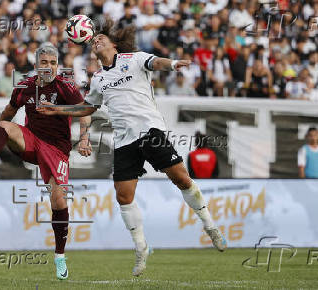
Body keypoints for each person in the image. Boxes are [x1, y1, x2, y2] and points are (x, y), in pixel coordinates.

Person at [37, 18, 227, 277]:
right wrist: (57, 110)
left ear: (114, 44)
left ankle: (210, 226)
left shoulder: (134, 58)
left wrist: (172, 64)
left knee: (182, 179)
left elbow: (156, 63)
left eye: (101, 37)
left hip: (150, 130)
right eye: (94, 39)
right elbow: (88, 108)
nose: (96, 39)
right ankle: (141, 247)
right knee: (123, 196)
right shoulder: (99, 78)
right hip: (124, 140)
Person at [0, 45, 87, 280]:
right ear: (36, 64)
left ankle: (59, 256)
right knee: (4, 127)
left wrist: (84, 138)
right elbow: (9, 111)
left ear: (57, 64)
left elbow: (85, 111)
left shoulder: (65, 87)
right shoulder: (25, 87)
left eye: (53, 62)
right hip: (31, 141)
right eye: (45, 62)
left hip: (56, 149)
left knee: (58, 200)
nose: (49, 66)